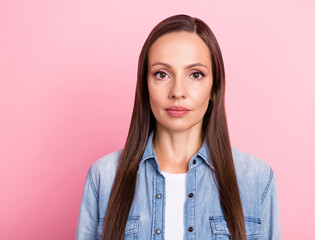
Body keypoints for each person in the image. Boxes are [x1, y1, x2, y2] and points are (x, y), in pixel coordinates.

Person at [75, 14, 280, 240]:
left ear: (214, 88)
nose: (178, 91)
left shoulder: (256, 178)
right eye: (162, 74)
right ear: (145, 85)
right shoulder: (104, 177)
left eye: (195, 74)